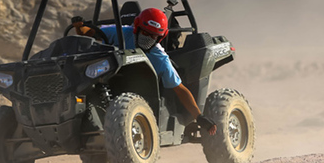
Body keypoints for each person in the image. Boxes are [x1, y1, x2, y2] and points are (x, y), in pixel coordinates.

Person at [73, 8, 217, 135]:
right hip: (113, 81)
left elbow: (179, 89)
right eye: (145, 33)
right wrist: (80, 28)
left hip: (146, 94)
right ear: (137, 27)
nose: (147, 39)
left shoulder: (159, 57)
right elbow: (91, 33)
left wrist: (199, 117)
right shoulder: (122, 33)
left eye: (153, 36)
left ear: (161, 37)